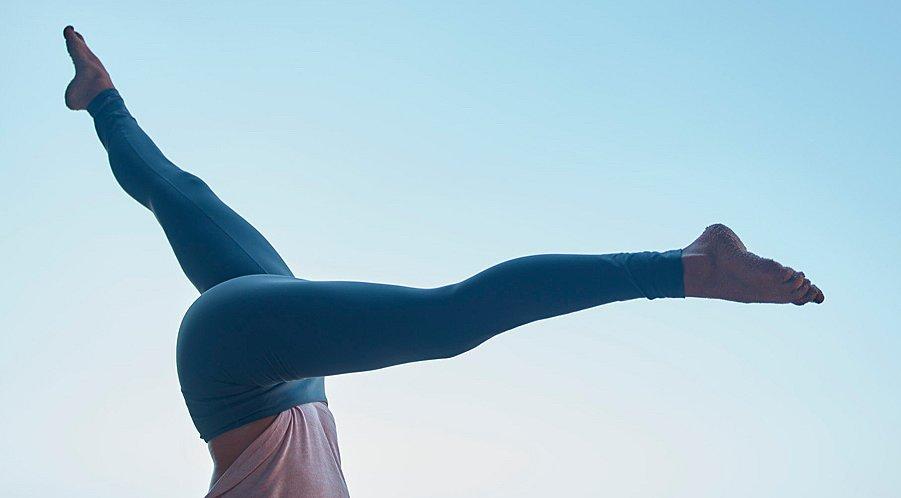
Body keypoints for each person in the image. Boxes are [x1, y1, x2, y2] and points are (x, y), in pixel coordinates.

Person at [62, 25, 824, 497]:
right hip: (278, 378)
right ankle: (101, 98)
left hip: (239, 375)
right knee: (177, 194)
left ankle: (687, 267)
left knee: (447, 318)